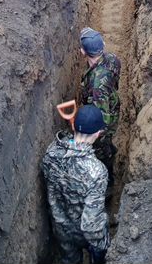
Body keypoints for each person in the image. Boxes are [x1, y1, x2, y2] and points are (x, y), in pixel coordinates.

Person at [42, 105, 110, 264]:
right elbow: (90, 225)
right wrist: (102, 246)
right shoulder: (97, 172)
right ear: (98, 134)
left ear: (73, 126)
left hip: (61, 227)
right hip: (83, 233)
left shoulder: (51, 153)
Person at [79, 27, 121, 184]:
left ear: (83, 52)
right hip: (112, 102)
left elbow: (101, 117)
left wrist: (94, 137)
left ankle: (107, 182)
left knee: (102, 152)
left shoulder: (97, 86)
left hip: (104, 121)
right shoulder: (112, 59)